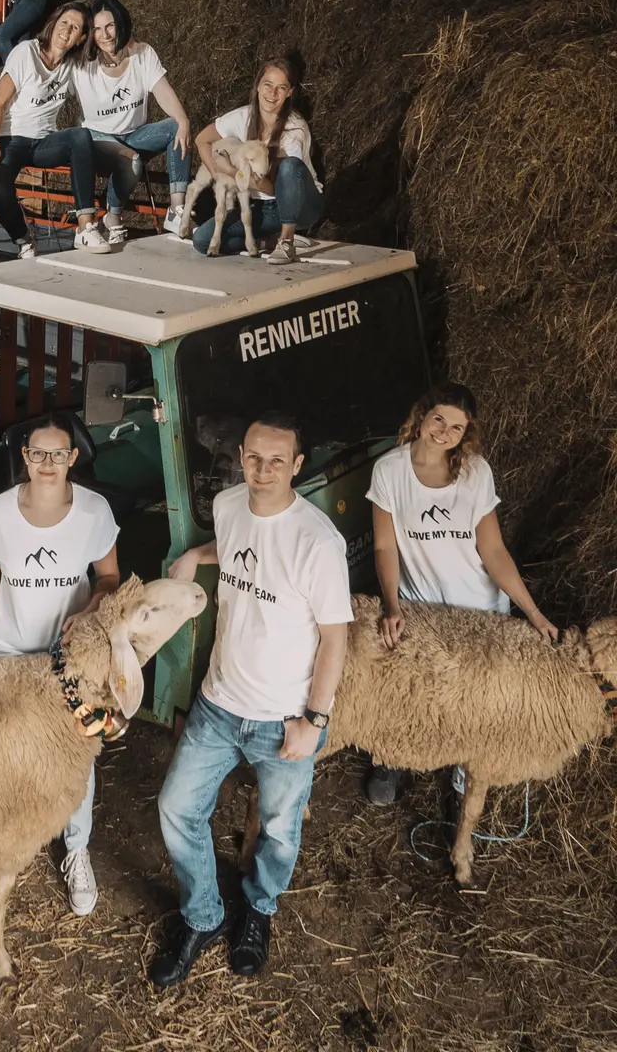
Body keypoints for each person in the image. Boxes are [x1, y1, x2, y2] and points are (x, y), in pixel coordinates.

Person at [152, 413, 351, 985]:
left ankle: (259, 910)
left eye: (276, 461)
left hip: (283, 717)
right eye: (253, 458)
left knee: (280, 828)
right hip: (219, 702)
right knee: (176, 808)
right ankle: (204, 915)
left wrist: (314, 719)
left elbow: (335, 637)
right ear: (240, 455)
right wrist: (198, 557)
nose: (263, 471)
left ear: (298, 465)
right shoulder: (230, 504)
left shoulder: (318, 541)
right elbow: (238, 547)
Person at [364, 382, 558, 805]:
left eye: (457, 426)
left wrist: (534, 613)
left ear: (465, 432)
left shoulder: (475, 472)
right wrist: (393, 605)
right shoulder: (389, 472)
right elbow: (384, 546)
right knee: (413, 686)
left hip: (480, 608)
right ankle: (395, 758)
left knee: (476, 702)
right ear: (421, 417)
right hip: (425, 610)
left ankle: (462, 781)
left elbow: (492, 550)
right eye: (439, 419)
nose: (445, 432)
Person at [0, 412, 120, 915]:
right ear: (25, 458)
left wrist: (90, 610)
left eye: (59, 454)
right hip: (9, 653)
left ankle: (76, 848)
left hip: (67, 659)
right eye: (38, 454)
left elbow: (110, 579)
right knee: (1, 753)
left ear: (73, 458)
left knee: (77, 750)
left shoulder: (95, 512)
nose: (48, 463)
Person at [0, 1, 111, 257]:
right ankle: (24, 239)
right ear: (53, 23)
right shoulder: (24, 53)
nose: (66, 30)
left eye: (75, 27)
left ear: (80, 38)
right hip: (12, 138)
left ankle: (86, 227)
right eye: (64, 22)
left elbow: (98, 92)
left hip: (44, 143)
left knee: (80, 135)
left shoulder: (72, 67)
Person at [71, 0, 191, 245]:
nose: (105, 35)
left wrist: (183, 119)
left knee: (176, 126)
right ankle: (112, 218)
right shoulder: (82, 64)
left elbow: (164, 92)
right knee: (132, 161)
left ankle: (176, 212)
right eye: (97, 29)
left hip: (135, 135)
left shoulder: (142, 54)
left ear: (121, 23)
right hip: (99, 140)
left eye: (110, 26)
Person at [191, 57, 323, 265]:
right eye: (268, 85)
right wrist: (218, 173)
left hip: (301, 204)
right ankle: (266, 238)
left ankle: (286, 240)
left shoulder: (294, 128)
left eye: (281, 88)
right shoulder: (243, 116)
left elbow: (275, 189)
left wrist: (233, 172)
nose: (272, 93)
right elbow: (202, 140)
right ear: (258, 85)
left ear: (289, 93)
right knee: (202, 240)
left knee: (289, 166)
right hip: (264, 206)